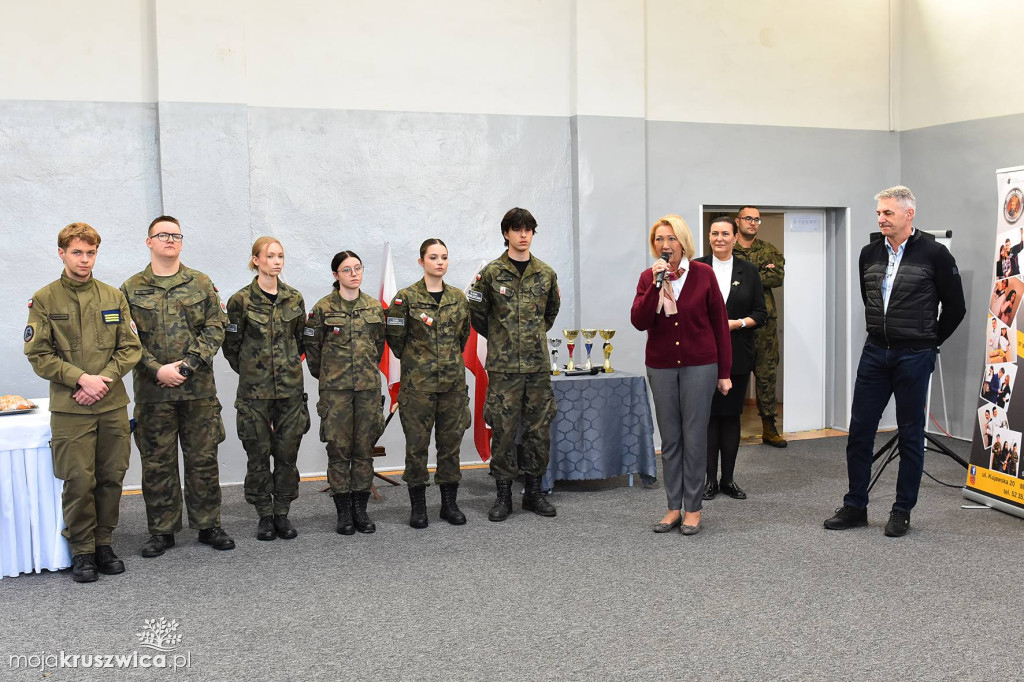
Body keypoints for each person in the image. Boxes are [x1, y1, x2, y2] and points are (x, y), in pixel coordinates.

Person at [824, 186, 965, 537]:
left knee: (911, 433)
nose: (881, 219)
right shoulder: (869, 253)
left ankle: (902, 510)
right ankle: (855, 505)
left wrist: (929, 341)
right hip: (875, 351)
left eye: (887, 213)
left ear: (909, 214)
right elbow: (868, 297)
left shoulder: (935, 254)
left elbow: (956, 308)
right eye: (879, 213)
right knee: (859, 432)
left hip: (914, 355)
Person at [24, 223, 142, 582]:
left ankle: (104, 542)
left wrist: (100, 380)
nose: (84, 259)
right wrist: (80, 379)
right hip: (70, 407)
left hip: (110, 404)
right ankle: (82, 551)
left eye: (90, 253)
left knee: (111, 477)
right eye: (77, 252)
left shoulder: (112, 296)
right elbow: (38, 353)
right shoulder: (45, 299)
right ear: (62, 253)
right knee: (77, 480)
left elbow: (131, 347)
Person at [121, 216, 235, 557]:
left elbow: (217, 326)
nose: (170, 240)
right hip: (153, 392)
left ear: (181, 243)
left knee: (203, 459)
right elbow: (126, 338)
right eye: (162, 235)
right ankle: (162, 531)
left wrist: (188, 366)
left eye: (175, 235)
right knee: (158, 463)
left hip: (197, 390)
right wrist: (157, 369)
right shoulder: (130, 288)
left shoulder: (201, 283)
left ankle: (208, 525)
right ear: (149, 242)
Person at [631, 214, 731, 536]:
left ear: (683, 242)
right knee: (671, 439)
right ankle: (673, 507)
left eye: (671, 238)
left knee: (694, 438)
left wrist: (724, 372)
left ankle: (693, 508)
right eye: (659, 240)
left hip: (700, 366)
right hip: (660, 367)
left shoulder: (703, 274)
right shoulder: (650, 277)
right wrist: (655, 287)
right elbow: (639, 320)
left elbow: (719, 325)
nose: (665, 245)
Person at [468, 207, 561, 522]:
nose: (523, 235)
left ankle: (534, 493)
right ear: (506, 233)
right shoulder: (491, 274)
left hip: (536, 366)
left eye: (528, 230)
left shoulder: (546, 273)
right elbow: (478, 316)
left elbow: (550, 313)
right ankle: (503, 496)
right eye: (517, 229)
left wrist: (528, 338)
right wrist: (504, 339)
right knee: (504, 431)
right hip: (504, 367)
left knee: (538, 430)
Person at [223, 237, 310, 541]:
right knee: (257, 454)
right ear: (256, 260)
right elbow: (231, 347)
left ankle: (282, 512)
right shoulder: (240, 300)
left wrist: (283, 368)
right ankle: (263, 514)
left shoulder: (294, 299)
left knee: (287, 453)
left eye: (280, 256)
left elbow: (300, 341)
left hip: (289, 391)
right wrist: (253, 371)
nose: (276, 261)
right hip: (254, 394)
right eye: (270, 256)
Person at [386, 239, 472, 528]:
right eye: (433, 257)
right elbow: (396, 342)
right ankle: (419, 507)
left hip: (452, 387)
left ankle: (449, 505)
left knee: (450, 447)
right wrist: (421, 362)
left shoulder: (458, 298)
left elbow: (463, 338)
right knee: (417, 447)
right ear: (421, 261)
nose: (440, 262)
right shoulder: (405, 298)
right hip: (418, 387)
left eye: (444, 257)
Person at [304, 251, 385, 535]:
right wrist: (330, 377)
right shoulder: (322, 309)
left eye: (358, 268)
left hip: (367, 391)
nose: (353, 273)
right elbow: (313, 353)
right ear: (336, 275)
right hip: (336, 393)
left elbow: (379, 346)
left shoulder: (374, 308)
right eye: (346, 269)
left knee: (363, 452)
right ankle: (343, 513)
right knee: (338, 452)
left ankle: (360, 510)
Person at [695, 216, 766, 501]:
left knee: (731, 417)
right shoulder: (696, 267)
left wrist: (737, 323)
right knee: (710, 418)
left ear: (735, 237)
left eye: (725, 233)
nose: (719, 238)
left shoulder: (749, 271)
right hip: (703, 356)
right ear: (709, 237)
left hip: (737, 354)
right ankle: (709, 481)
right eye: (714, 233)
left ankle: (729, 479)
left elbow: (761, 313)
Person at [732, 206, 787, 447]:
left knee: (767, 373)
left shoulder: (768, 249)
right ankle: (731, 425)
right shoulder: (727, 249)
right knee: (732, 372)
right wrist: (758, 275)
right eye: (748, 219)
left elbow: (778, 277)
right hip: (734, 322)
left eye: (757, 220)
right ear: (738, 221)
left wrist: (743, 278)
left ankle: (769, 427)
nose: (753, 223)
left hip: (764, 322)